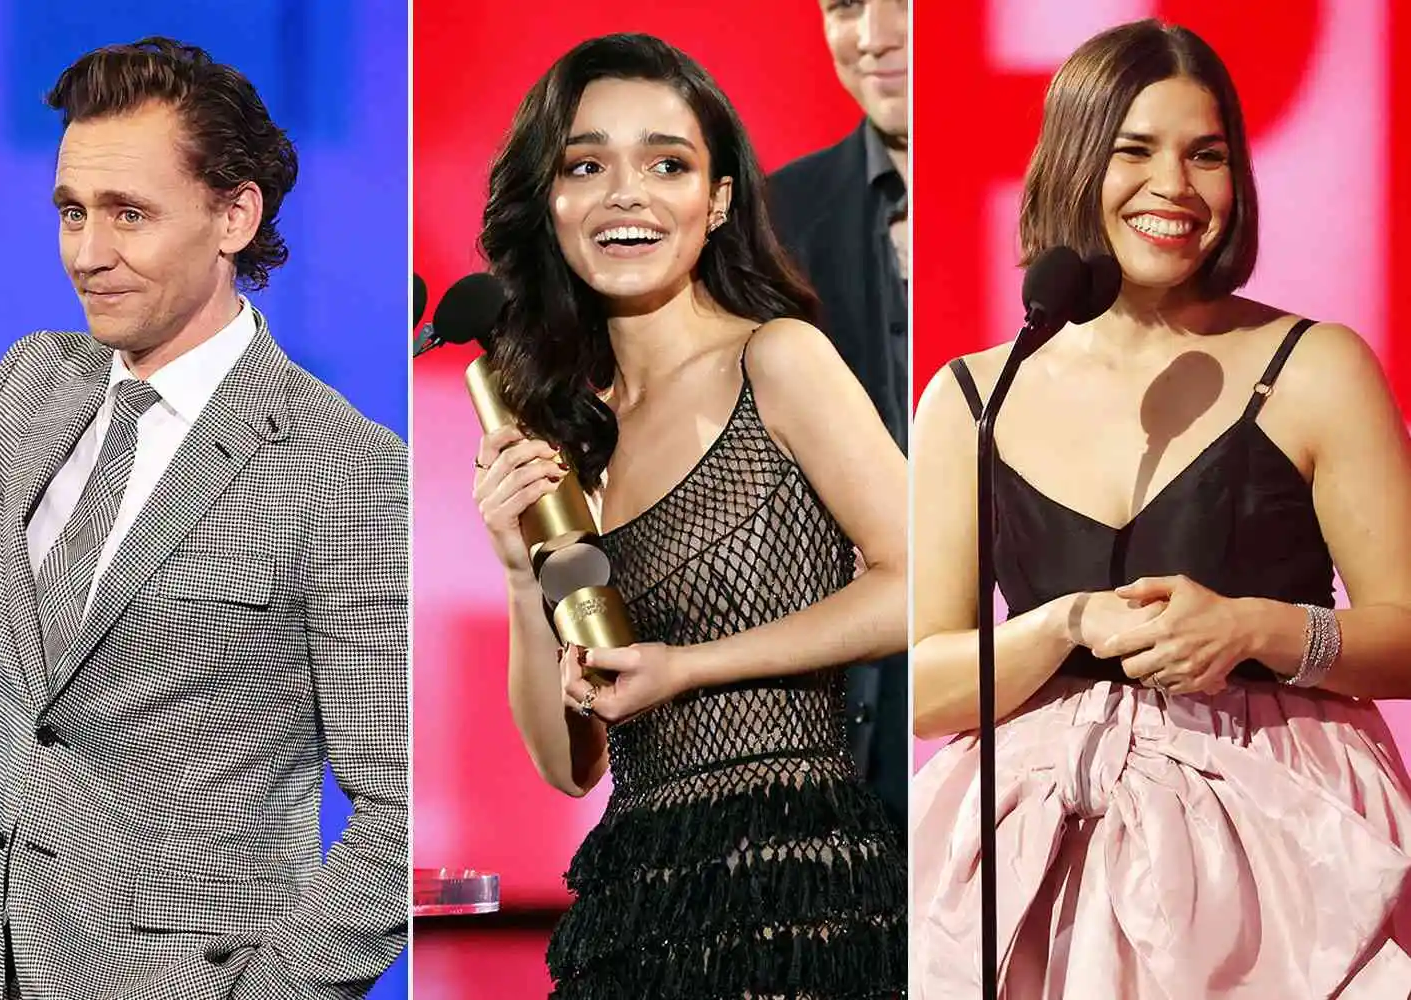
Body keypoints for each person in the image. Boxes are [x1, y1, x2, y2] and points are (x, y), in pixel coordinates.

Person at [912, 19, 1411, 998]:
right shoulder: (972, 394)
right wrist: (1066, 623)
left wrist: (1255, 629)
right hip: (1037, 853)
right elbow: (930, 686)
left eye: (1207, 154)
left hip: (1282, 855)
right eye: (1134, 150)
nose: (1175, 187)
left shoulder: (1316, 368)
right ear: (1072, 160)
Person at [0, 38, 407, 1000]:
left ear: (234, 214)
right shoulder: (30, 386)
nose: (88, 254)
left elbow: (402, 808)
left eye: (128, 215)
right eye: (71, 212)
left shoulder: (339, 467)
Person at [471, 32, 907, 999]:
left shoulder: (777, 359)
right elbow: (567, 766)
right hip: (634, 908)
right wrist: (515, 571)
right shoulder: (569, 433)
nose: (626, 193)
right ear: (552, 202)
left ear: (715, 202)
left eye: (666, 163)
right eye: (587, 165)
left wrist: (690, 668)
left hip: (794, 890)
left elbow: (918, 585)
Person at [768, 0, 908, 833]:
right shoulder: (774, 220)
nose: (872, 36)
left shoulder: (1068, 211)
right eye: (845, 4)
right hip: (834, 715)